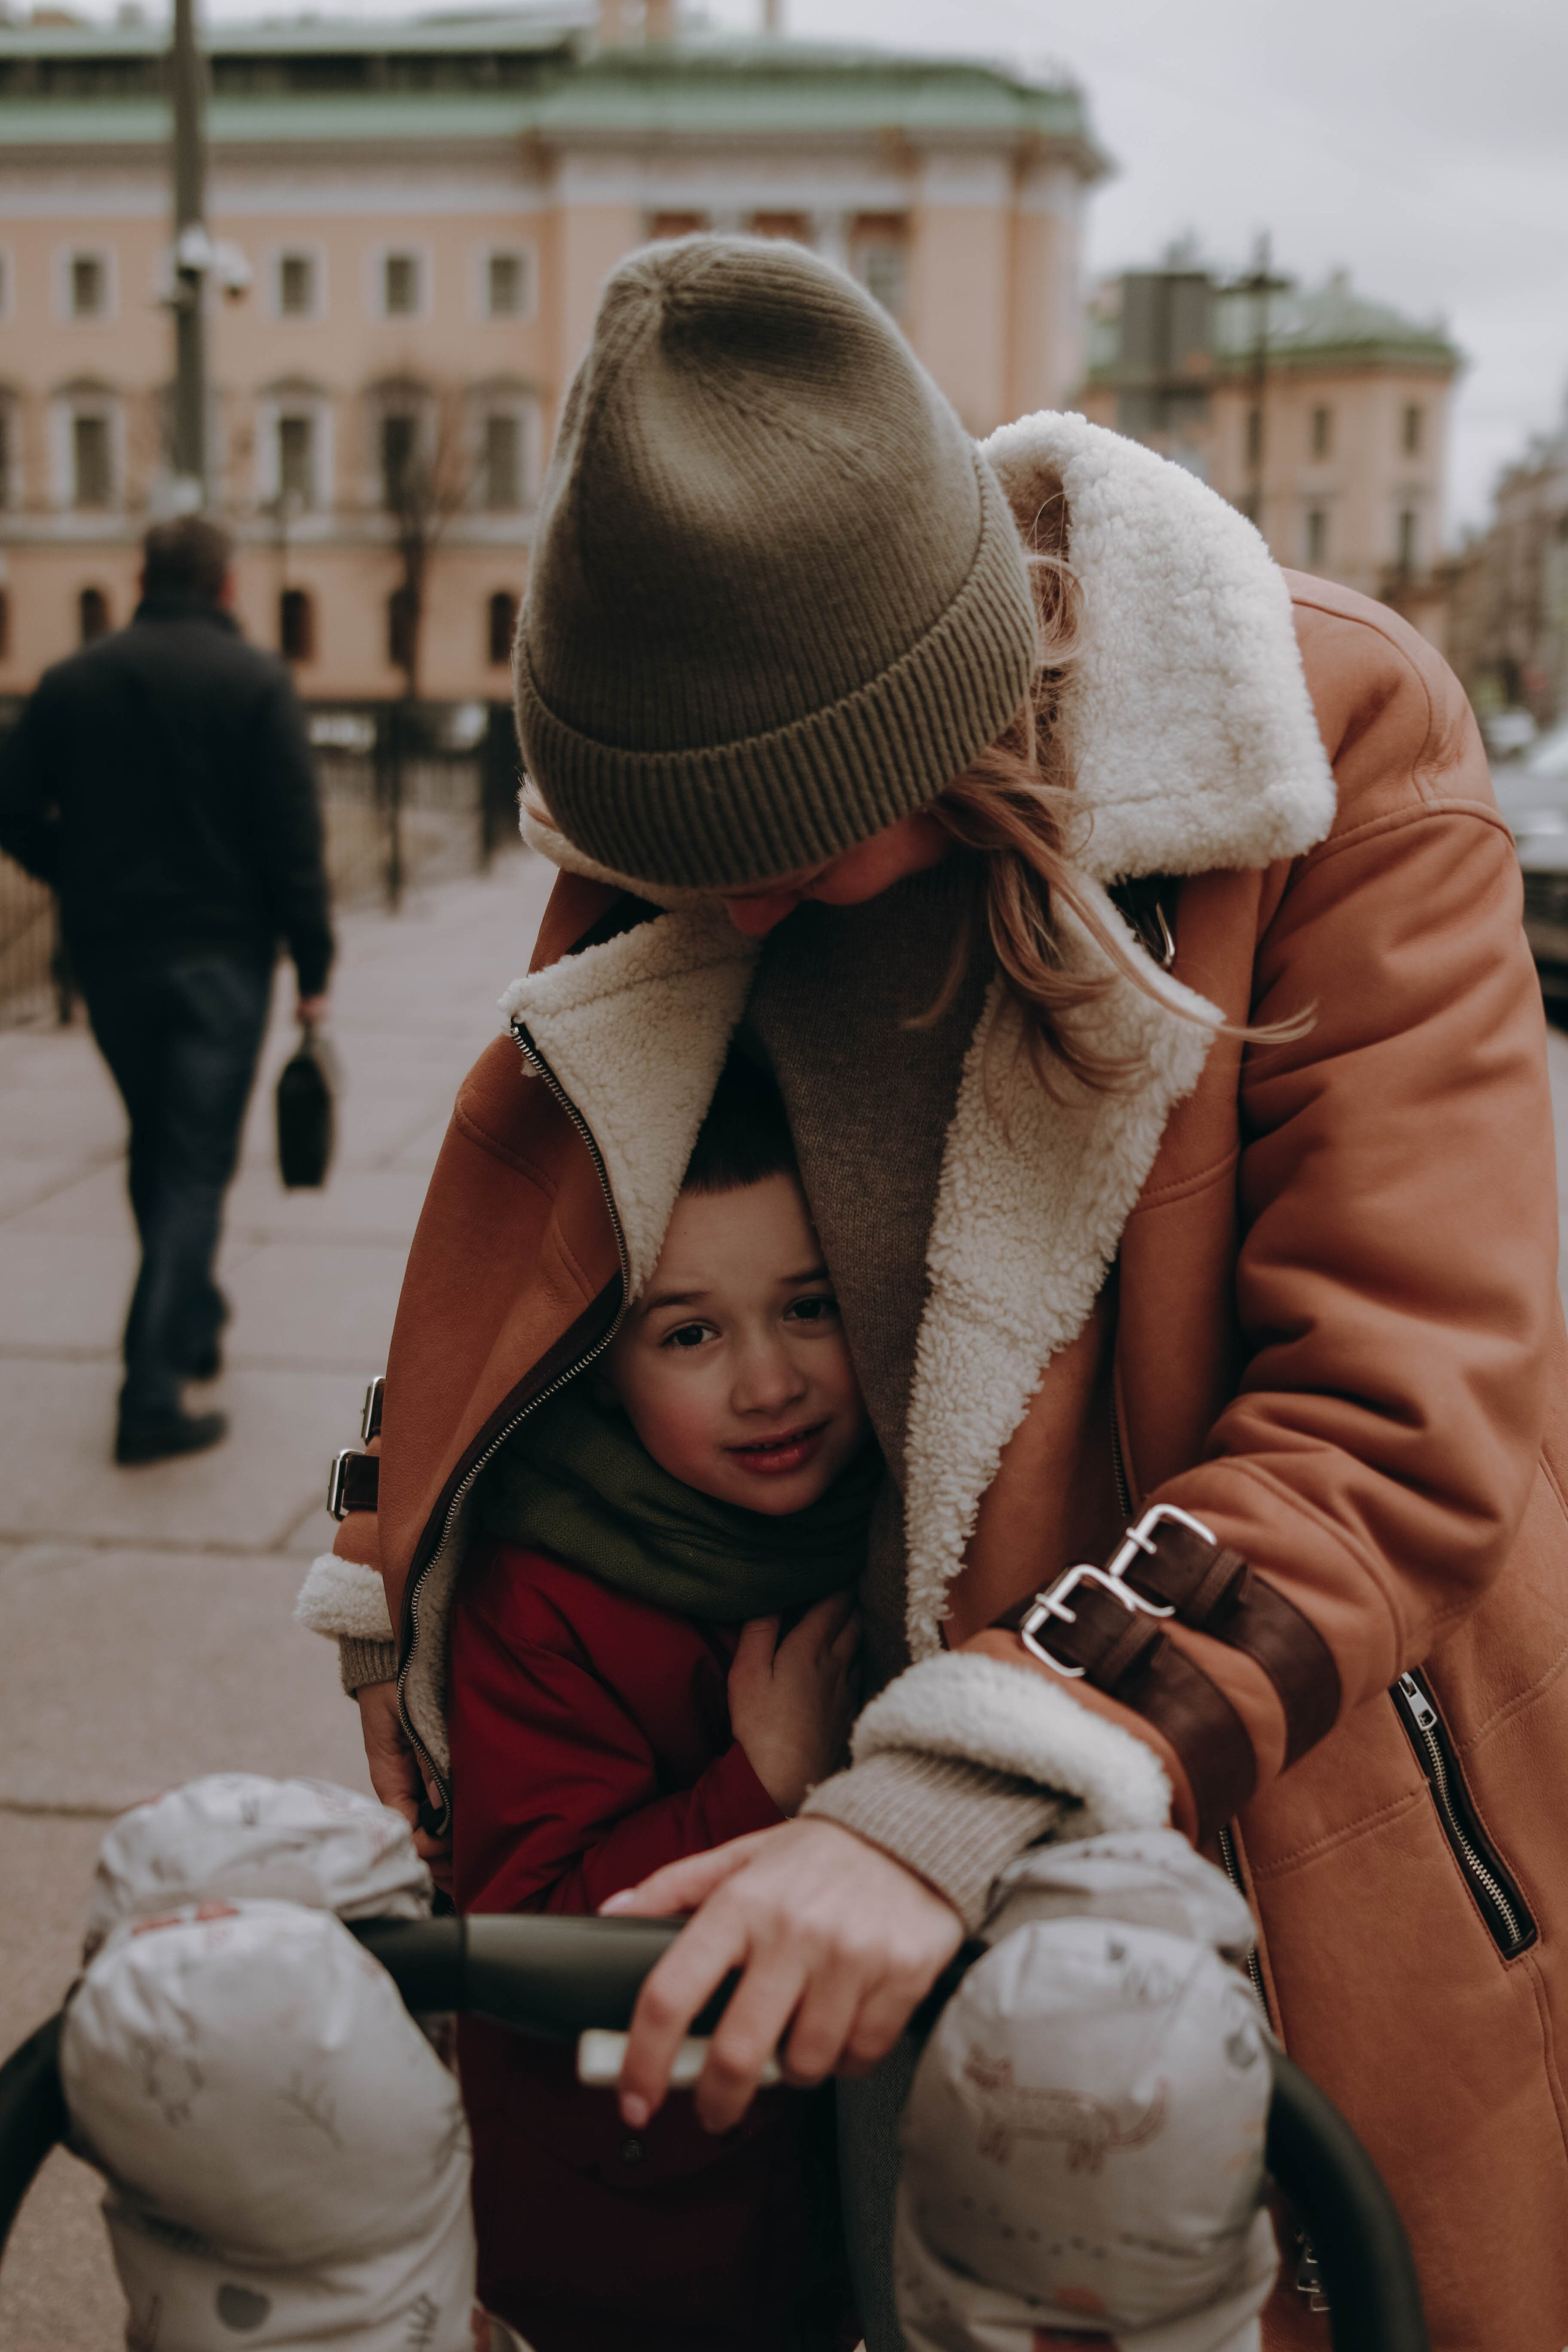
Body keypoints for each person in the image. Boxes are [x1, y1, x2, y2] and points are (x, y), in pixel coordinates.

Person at [300, 236, 1568, 2351]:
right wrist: (390, 1554)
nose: (727, 907)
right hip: (809, 1812)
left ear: (943, 711)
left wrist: (975, 1782)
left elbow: (1403, 1415)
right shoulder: (710, 762)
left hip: (1249, 1798)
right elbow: (547, 1217)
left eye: (785, 857)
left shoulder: (1323, 742)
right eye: (683, 862)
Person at [450, 1052, 867, 2350]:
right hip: (640, 2237)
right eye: (690, 1332)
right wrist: (761, 1781)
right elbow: (535, 1943)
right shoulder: (544, 1592)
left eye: (809, 1307)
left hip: (826, 2210)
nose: (768, 1382)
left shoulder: (893, 1518)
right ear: (599, 1364)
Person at [0, 515, 333, 1463]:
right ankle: (151, 1395)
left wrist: (78, 871)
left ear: (141, 576)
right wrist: (311, 968)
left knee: (161, 1143)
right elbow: (291, 841)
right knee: (192, 1165)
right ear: (228, 588)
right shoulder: (257, 683)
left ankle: (193, 1315)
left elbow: (10, 802)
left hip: (110, 959)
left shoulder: (75, 680)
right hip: (222, 960)